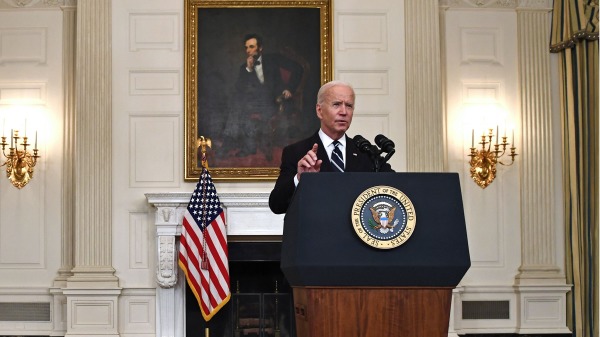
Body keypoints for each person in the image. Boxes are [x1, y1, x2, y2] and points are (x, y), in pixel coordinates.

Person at [268, 80, 394, 214]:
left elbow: (398, 187)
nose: (344, 112)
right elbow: (277, 205)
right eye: (337, 104)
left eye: (349, 106)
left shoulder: (367, 153)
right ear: (319, 110)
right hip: (318, 233)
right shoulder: (296, 152)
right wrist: (300, 178)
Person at [229, 33, 303, 160]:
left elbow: (298, 68)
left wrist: (289, 88)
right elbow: (239, 90)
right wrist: (249, 69)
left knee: (244, 108)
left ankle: (264, 146)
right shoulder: (244, 68)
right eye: (246, 48)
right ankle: (247, 147)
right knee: (238, 105)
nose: (248, 51)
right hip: (254, 103)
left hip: (276, 101)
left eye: (251, 47)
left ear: (260, 48)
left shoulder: (274, 59)